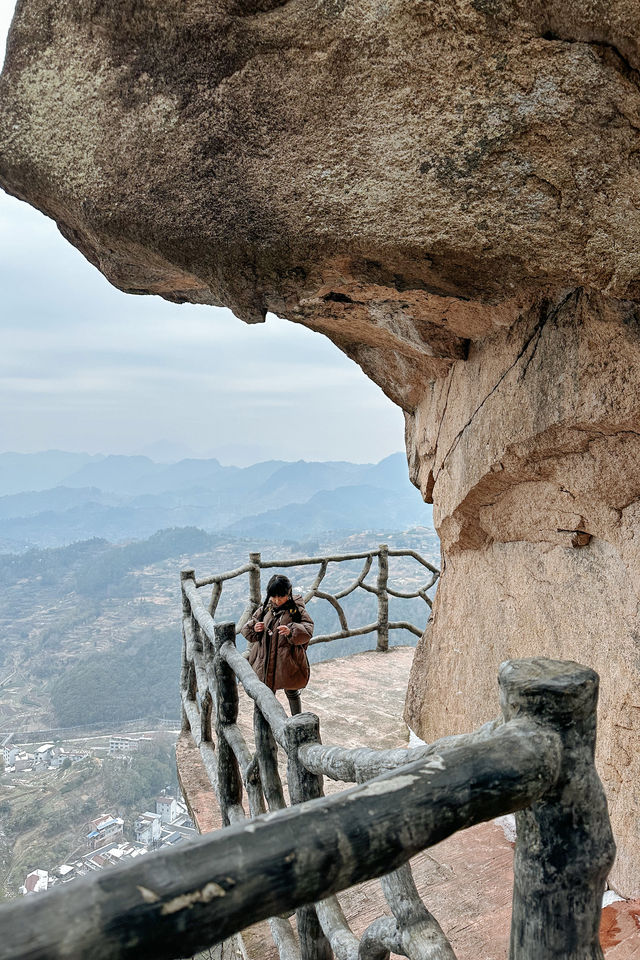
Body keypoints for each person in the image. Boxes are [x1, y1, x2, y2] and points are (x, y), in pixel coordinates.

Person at [241, 574, 312, 715]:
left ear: (289, 592)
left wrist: (291, 631)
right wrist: (255, 628)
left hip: (288, 660)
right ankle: (268, 722)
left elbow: (308, 630)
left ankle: (297, 719)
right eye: (273, 596)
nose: (277, 600)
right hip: (265, 661)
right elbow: (247, 628)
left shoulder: (296, 610)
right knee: (266, 694)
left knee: (291, 691)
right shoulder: (266, 609)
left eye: (280, 596)